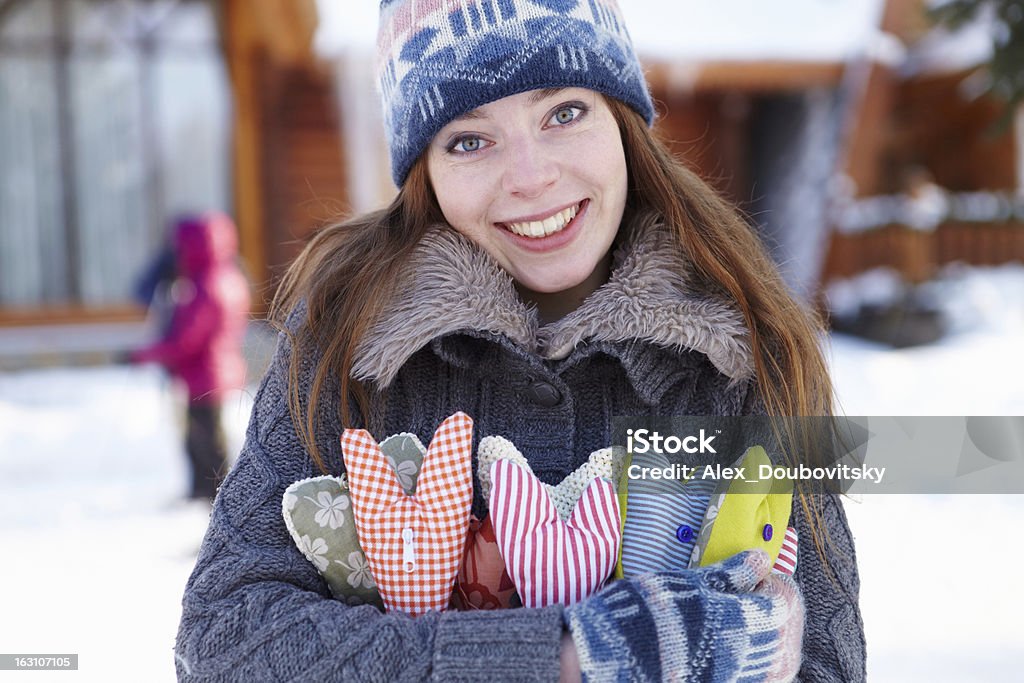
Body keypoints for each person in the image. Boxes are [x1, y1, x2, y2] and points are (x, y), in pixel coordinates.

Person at [174, 1, 865, 680]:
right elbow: (221, 640)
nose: (532, 178)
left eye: (563, 112)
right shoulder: (345, 335)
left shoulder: (747, 349)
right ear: (426, 173)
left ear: (623, 121)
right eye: (469, 140)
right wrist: (559, 656)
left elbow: (830, 661)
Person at [132, 212, 251, 501]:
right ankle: (207, 493)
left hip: (204, 374)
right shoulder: (228, 276)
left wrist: (144, 355)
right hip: (216, 369)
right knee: (203, 436)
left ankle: (219, 497)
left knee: (207, 441)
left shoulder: (204, 287)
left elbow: (186, 340)